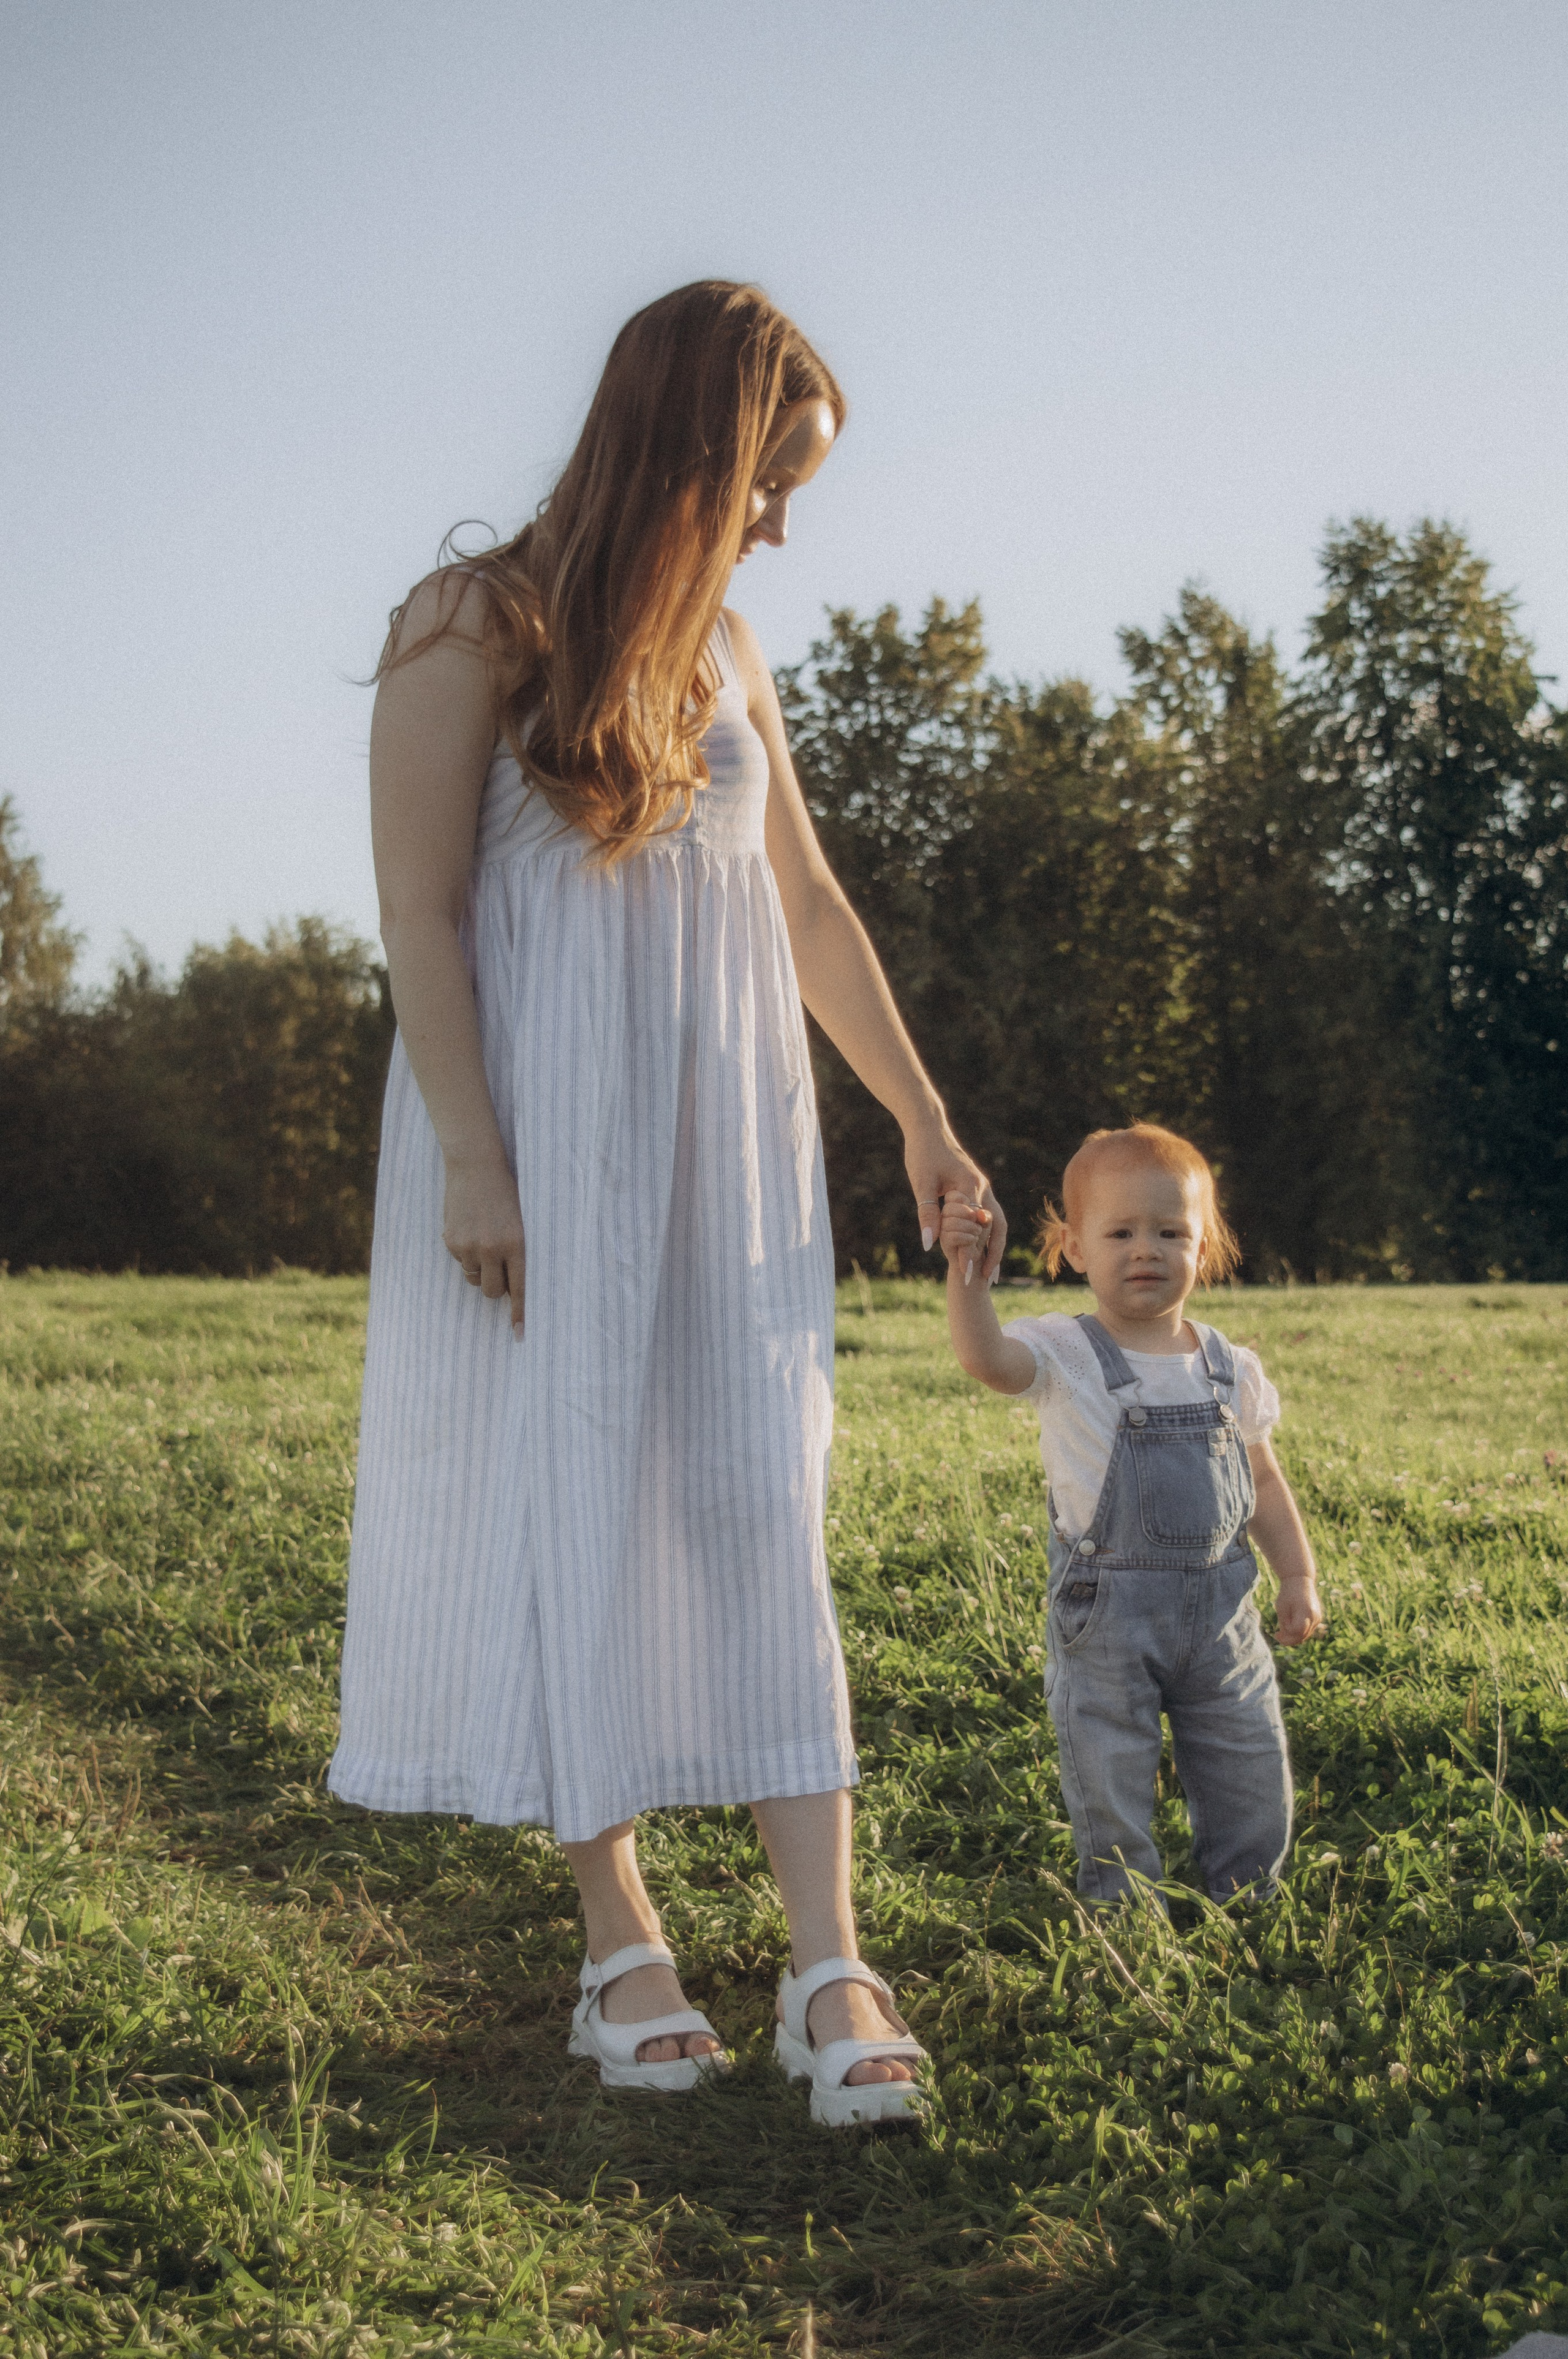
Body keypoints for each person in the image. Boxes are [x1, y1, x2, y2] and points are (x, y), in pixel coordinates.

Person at [327, 281, 1006, 2125]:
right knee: (573, 1495)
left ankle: (825, 1956)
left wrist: (924, 1124)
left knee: (751, 1495)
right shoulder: (469, 621)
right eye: (768, 480)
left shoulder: (731, 652)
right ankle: (618, 1930)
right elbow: (424, 913)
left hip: (730, 1141)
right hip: (544, 1136)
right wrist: (477, 1151)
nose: (782, 522)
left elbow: (805, 908)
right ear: (687, 450)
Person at [937, 1122, 1322, 1907]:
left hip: (1222, 1616)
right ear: (1075, 1248)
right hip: (1107, 1619)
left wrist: (1298, 1571)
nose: (1145, 1248)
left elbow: (1263, 1478)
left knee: (1249, 1761)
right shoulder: (1065, 1351)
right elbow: (987, 1360)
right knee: (1108, 1766)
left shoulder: (1228, 1364)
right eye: (1120, 1232)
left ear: (1204, 1244)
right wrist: (968, 1277)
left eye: (1170, 1231)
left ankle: (1246, 1900)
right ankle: (1123, 1908)